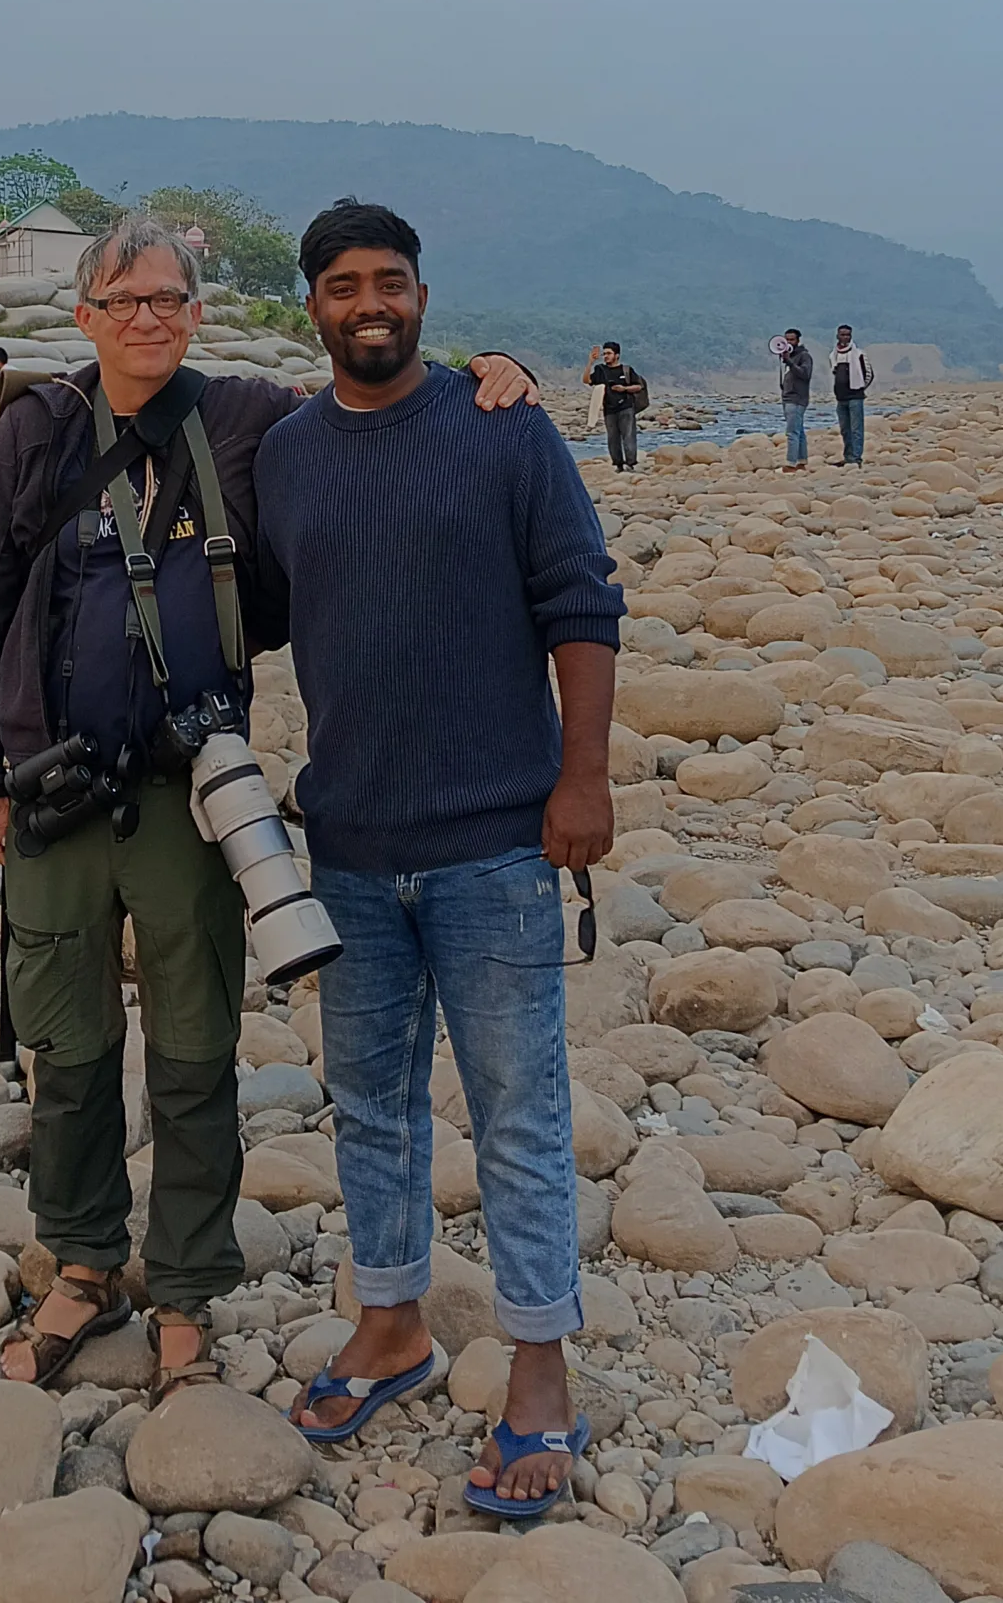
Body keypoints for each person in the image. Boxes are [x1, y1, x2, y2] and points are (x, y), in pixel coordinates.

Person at [0, 214, 539, 1402]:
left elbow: (371, 385)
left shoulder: (243, 417)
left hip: (191, 790)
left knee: (195, 1046)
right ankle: (82, 1263)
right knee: (65, 1043)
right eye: (124, 302)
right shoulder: (37, 432)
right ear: (86, 316)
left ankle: (186, 1288)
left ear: (197, 312)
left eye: (168, 298)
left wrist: (483, 369)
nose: (148, 319)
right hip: (51, 790)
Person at [256, 202, 622, 1519]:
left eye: (392, 281)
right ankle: (392, 1322)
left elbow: (581, 598)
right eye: (345, 284)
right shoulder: (285, 453)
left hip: (494, 846)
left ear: (422, 295)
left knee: (518, 1114)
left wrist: (582, 778)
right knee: (369, 1105)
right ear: (312, 305)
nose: (371, 302)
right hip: (348, 848)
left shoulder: (501, 424)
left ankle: (539, 1362)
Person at [586, 340, 642, 472]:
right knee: (613, 438)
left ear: (617, 355)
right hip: (609, 409)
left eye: (609, 353)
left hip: (626, 407)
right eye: (604, 354)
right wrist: (590, 362)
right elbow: (587, 380)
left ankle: (630, 464)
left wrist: (624, 388)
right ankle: (618, 464)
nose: (605, 356)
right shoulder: (600, 370)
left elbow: (638, 386)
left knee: (628, 436)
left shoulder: (626, 370)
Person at [832, 324, 874, 467]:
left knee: (856, 429)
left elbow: (869, 375)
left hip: (855, 397)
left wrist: (859, 388)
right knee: (845, 430)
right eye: (842, 335)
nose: (845, 337)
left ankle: (856, 458)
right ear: (837, 336)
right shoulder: (834, 355)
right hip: (841, 398)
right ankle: (848, 457)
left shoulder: (859, 354)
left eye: (847, 335)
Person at [778, 329, 813, 472]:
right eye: (786, 340)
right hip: (788, 397)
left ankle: (790, 463)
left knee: (792, 432)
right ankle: (801, 461)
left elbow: (805, 374)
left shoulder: (804, 356)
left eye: (792, 340)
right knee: (799, 431)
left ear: (798, 341)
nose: (788, 343)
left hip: (797, 398)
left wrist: (790, 362)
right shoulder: (787, 357)